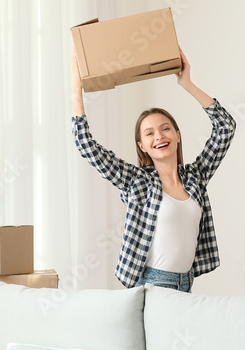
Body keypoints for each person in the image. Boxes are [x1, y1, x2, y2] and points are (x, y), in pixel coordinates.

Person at [70, 47, 236, 292]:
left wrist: (187, 83)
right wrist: (76, 90)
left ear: (177, 136)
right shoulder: (137, 181)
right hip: (152, 284)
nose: (159, 136)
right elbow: (87, 146)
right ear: (143, 146)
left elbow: (226, 127)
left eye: (166, 128)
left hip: (186, 283)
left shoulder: (195, 177)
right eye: (149, 133)